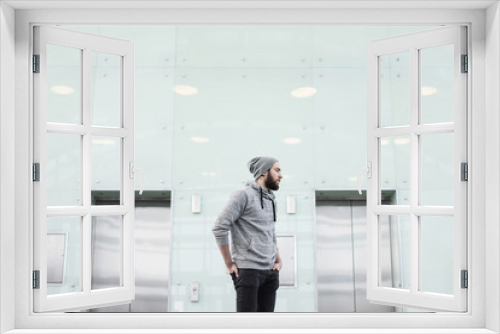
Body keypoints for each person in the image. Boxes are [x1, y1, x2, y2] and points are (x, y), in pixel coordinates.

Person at [212, 156, 283, 312]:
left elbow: (270, 232)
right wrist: (229, 264)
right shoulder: (242, 195)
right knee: (246, 325)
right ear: (264, 172)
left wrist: (278, 260)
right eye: (277, 170)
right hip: (249, 271)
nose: (281, 175)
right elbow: (219, 227)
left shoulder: (272, 200)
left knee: (266, 327)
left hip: (271, 272)